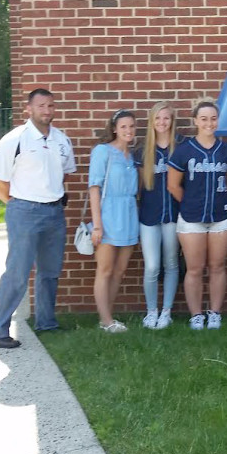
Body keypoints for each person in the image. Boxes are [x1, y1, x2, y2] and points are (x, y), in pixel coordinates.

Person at [0, 88, 75, 349]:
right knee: (17, 273)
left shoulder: (61, 139)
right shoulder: (15, 139)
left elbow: (64, 173)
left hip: (54, 213)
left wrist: (50, 196)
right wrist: (17, 205)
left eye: (50, 105)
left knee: (50, 272)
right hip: (24, 212)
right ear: (29, 109)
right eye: (41, 106)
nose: (46, 110)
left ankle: (46, 323)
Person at [168, 101, 227, 330]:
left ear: (218, 121)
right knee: (194, 268)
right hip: (192, 217)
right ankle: (196, 315)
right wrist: (192, 202)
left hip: (221, 216)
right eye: (204, 118)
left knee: (218, 266)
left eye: (213, 118)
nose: (209, 123)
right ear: (195, 121)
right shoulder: (184, 151)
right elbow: (173, 186)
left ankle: (215, 313)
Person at [135, 102, 185, 330]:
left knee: (172, 263)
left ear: (172, 121)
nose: (162, 123)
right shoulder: (143, 151)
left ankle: (167, 311)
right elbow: (137, 187)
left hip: (174, 215)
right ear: (152, 122)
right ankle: (151, 311)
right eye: (158, 118)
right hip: (149, 216)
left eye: (166, 118)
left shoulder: (181, 147)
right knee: (152, 266)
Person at [89, 110, 140, 333]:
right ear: (114, 129)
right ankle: (107, 320)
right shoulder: (103, 152)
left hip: (129, 215)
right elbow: (94, 188)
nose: (128, 131)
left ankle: (106, 318)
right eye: (123, 127)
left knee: (120, 271)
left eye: (131, 126)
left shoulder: (132, 156)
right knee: (105, 270)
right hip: (108, 215)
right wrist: (97, 224)